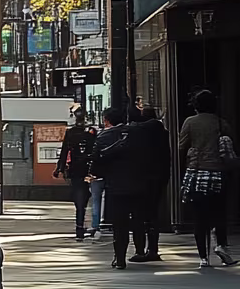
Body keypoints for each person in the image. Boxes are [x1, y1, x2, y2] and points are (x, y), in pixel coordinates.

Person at [179, 89, 238, 267]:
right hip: (218, 174)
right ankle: (221, 245)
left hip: (197, 173)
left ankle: (203, 258)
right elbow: (229, 145)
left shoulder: (190, 122)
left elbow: (181, 147)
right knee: (219, 213)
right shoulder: (221, 123)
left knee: (200, 217)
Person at [92, 106, 149, 269]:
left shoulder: (103, 137)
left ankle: (120, 257)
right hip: (139, 182)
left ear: (107, 120)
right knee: (139, 218)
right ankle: (140, 250)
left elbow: (96, 163)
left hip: (115, 185)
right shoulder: (139, 134)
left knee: (120, 223)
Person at [129, 106, 171, 262]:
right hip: (159, 178)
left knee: (138, 215)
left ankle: (140, 251)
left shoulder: (138, 133)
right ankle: (153, 249)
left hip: (141, 178)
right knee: (153, 214)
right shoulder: (163, 133)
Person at [54, 105, 97, 240]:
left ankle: (80, 226)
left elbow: (65, 150)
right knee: (87, 197)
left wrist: (59, 168)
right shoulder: (91, 132)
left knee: (80, 198)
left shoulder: (71, 132)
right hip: (89, 168)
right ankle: (83, 224)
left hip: (76, 169)